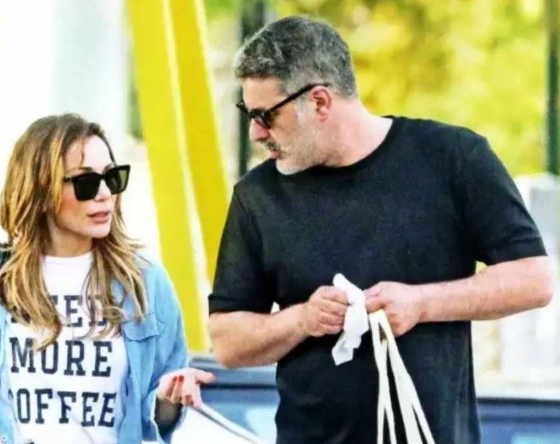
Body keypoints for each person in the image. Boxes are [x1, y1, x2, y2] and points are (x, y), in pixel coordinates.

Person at [208, 15, 553, 444]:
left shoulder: (452, 158)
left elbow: (534, 279)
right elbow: (227, 341)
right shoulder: (257, 196)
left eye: (266, 115)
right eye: (248, 113)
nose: (256, 132)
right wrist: (303, 319)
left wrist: (421, 304)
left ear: (319, 102)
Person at [0, 113, 214, 444]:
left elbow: (156, 419)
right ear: (41, 189)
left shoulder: (144, 282)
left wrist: (168, 401)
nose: (104, 194)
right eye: (85, 182)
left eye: (112, 178)